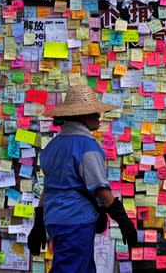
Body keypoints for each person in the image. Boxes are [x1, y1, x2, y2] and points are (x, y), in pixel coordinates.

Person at [27, 85, 138, 273]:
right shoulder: (87, 147)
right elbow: (102, 192)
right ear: (81, 116)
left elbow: (49, 187)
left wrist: (38, 223)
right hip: (76, 220)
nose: (98, 117)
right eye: (94, 112)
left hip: (54, 218)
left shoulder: (53, 146)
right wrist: (124, 222)